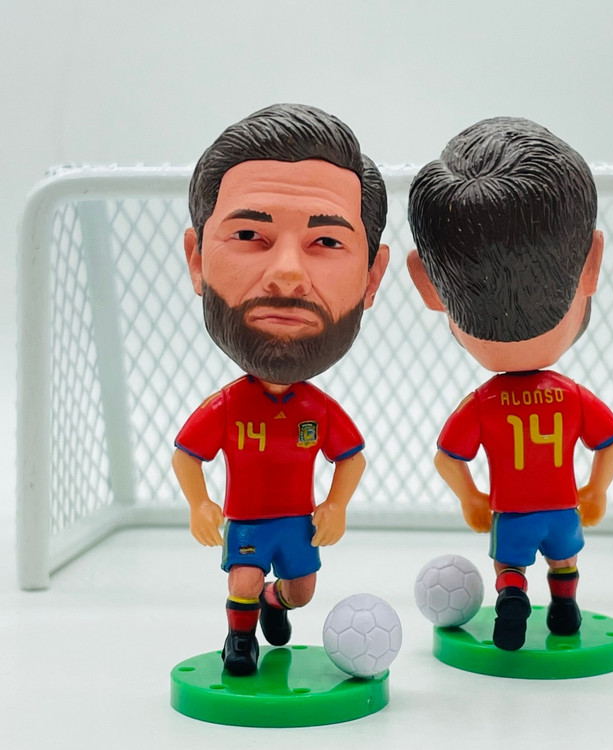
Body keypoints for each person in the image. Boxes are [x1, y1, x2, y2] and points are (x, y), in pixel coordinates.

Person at [172, 103, 389, 675]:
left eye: (327, 241)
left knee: (302, 592)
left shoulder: (318, 408)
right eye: (249, 234)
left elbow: (350, 455)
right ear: (197, 259)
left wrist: (336, 505)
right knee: (242, 579)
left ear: (373, 277)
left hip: (298, 522)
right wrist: (199, 503)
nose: (288, 274)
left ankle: (276, 602)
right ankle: (240, 641)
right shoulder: (226, 406)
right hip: (246, 521)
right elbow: (188, 453)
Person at [407, 117, 613, 651]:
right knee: (564, 561)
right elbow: (612, 443)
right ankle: (565, 606)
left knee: (510, 565)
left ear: (430, 288)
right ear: (591, 264)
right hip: (562, 510)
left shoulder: (485, 402)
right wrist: (596, 489)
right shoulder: (570, 396)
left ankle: (511, 595)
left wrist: (471, 498)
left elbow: (446, 457)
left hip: (512, 513)